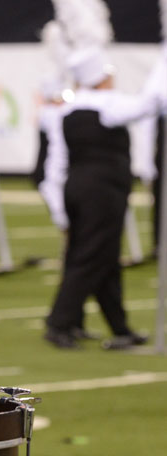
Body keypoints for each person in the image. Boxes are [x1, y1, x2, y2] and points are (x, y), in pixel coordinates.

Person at [41, 48, 156, 349]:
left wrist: (57, 207)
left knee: (102, 257)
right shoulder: (110, 104)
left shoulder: (65, 110)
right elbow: (149, 104)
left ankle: (118, 327)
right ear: (101, 77)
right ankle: (59, 321)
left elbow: (56, 162)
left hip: (75, 188)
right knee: (92, 257)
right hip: (103, 191)